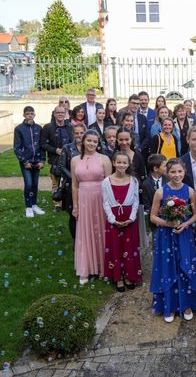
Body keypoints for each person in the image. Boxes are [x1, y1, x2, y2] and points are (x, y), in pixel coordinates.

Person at [150, 158, 196, 323]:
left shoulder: (189, 191)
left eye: (180, 171)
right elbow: (152, 217)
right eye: (173, 171)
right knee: (169, 268)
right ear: (167, 172)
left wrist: (186, 223)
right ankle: (170, 306)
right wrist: (168, 223)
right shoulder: (160, 192)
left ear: (184, 172)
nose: (177, 175)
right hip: (166, 236)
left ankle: (187, 304)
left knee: (186, 267)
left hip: (184, 234)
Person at [71, 130, 112, 285]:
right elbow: (74, 186)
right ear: (83, 141)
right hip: (83, 199)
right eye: (89, 140)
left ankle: (102, 267)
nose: (92, 144)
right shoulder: (75, 160)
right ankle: (86, 268)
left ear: (98, 143)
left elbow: (109, 184)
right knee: (85, 231)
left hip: (100, 198)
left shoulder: (105, 159)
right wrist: (75, 206)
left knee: (101, 231)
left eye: (95, 141)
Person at [102, 152, 141, 292]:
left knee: (129, 247)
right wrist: (112, 219)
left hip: (129, 218)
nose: (121, 165)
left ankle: (129, 275)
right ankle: (118, 277)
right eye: (118, 162)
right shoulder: (107, 181)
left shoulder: (133, 181)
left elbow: (136, 200)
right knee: (115, 247)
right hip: (114, 219)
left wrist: (131, 217)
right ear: (113, 163)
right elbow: (106, 202)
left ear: (128, 164)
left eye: (124, 163)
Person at [13, 106, 46, 218]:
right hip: (26, 162)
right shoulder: (19, 129)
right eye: (27, 114)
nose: (30, 115)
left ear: (34, 115)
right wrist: (24, 161)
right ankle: (28, 206)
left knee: (35, 184)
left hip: (37, 161)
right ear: (24, 115)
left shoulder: (38, 128)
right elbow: (16, 148)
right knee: (29, 184)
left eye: (31, 113)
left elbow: (41, 145)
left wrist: (42, 160)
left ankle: (34, 204)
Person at [41, 106, 73, 211]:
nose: (60, 114)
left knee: (68, 181)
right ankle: (57, 204)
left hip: (68, 158)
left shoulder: (69, 127)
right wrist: (55, 150)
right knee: (55, 182)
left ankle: (67, 201)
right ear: (54, 114)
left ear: (65, 114)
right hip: (54, 159)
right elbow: (43, 144)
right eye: (58, 112)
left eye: (62, 112)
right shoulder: (48, 127)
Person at [59, 123, 86, 240]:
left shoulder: (89, 147)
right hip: (71, 186)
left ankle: (85, 237)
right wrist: (73, 177)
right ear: (73, 134)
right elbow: (61, 165)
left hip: (86, 186)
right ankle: (75, 240)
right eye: (76, 133)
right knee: (73, 214)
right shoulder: (67, 148)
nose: (79, 135)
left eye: (82, 133)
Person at [141, 154, 167, 234]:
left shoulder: (168, 179)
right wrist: (155, 216)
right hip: (155, 220)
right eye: (165, 166)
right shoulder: (146, 184)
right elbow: (147, 204)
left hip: (168, 217)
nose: (167, 168)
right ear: (156, 168)